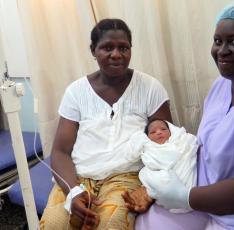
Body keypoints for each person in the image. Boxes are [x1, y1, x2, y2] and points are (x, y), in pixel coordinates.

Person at [135, 1, 234, 229]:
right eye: (217, 41)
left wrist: (186, 197)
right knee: (143, 222)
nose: (222, 51)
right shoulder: (223, 84)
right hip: (209, 196)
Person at [39, 18, 172, 230]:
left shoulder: (150, 88)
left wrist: (150, 189)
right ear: (93, 50)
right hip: (79, 177)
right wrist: (73, 191)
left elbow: (167, 145)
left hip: (126, 177)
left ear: (131, 50)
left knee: (110, 225)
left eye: (123, 48)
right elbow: (61, 151)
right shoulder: (76, 92)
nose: (116, 54)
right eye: (107, 47)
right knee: (54, 226)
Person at [122, 119, 198, 214]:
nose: (159, 132)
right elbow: (150, 164)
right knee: (147, 173)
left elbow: (186, 152)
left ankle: (180, 195)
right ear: (147, 137)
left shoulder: (179, 143)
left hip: (180, 170)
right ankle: (167, 194)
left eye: (163, 129)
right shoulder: (149, 147)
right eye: (153, 132)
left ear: (171, 131)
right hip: (157, 170)